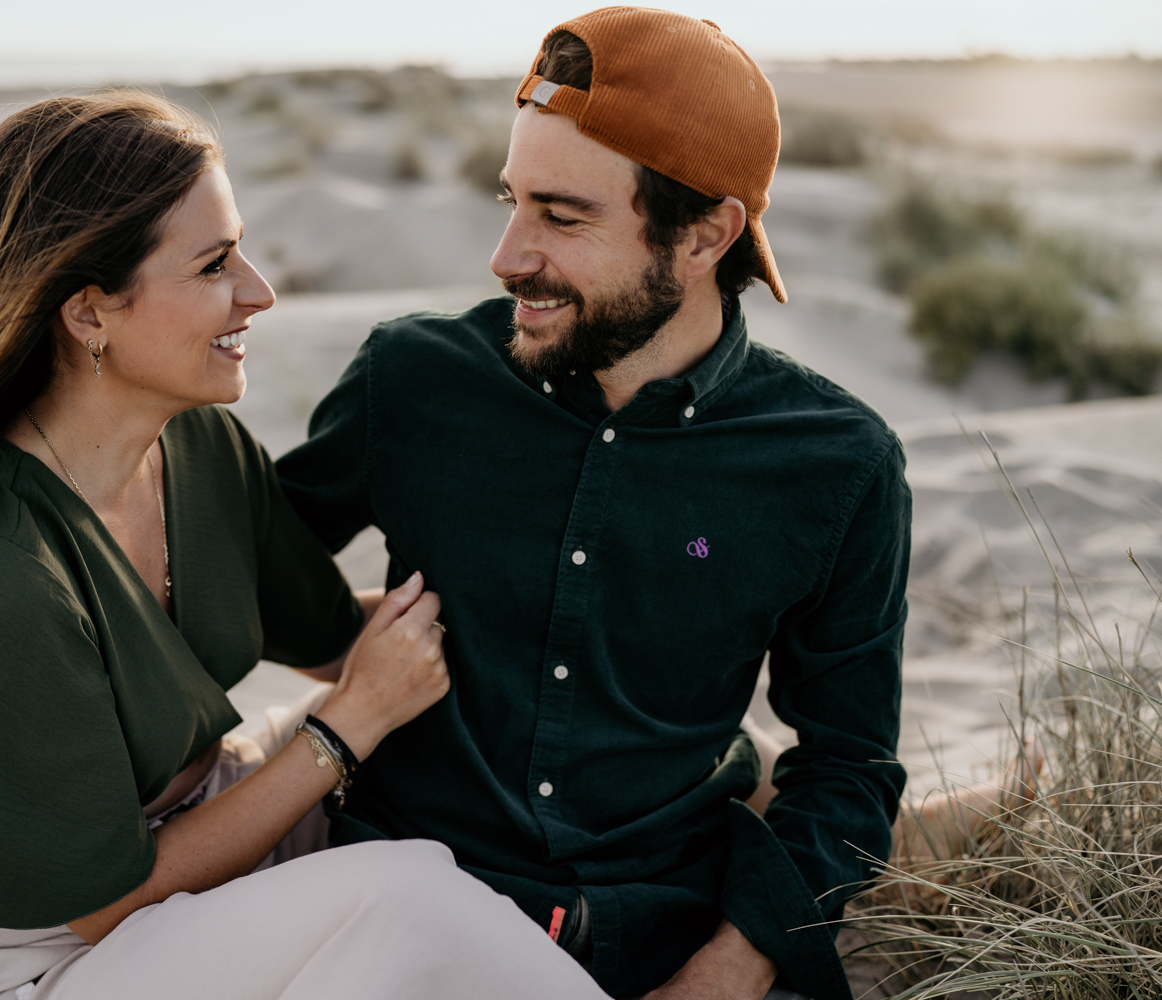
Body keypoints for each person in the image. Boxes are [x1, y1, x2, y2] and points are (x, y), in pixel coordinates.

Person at [0, 93, 611, 1000]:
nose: (260, 293)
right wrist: (344, 727)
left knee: (450, 793)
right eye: (213, 266)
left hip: (220, 827)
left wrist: (560, 619)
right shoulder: (0, 578)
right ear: (88, 313)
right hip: (67, 958)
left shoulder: (194, 443)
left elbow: (335, 641)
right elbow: (110, 900)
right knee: (412, 894)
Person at [277, 10, 913, 1000]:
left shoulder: (838, 464)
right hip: (400, 920)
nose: (507, 254)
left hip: (662, 935)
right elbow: (236, 573)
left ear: (707, 234)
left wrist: (727, 973)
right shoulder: (412, 378)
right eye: (511, 200)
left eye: (561, 217)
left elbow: (850, 765)